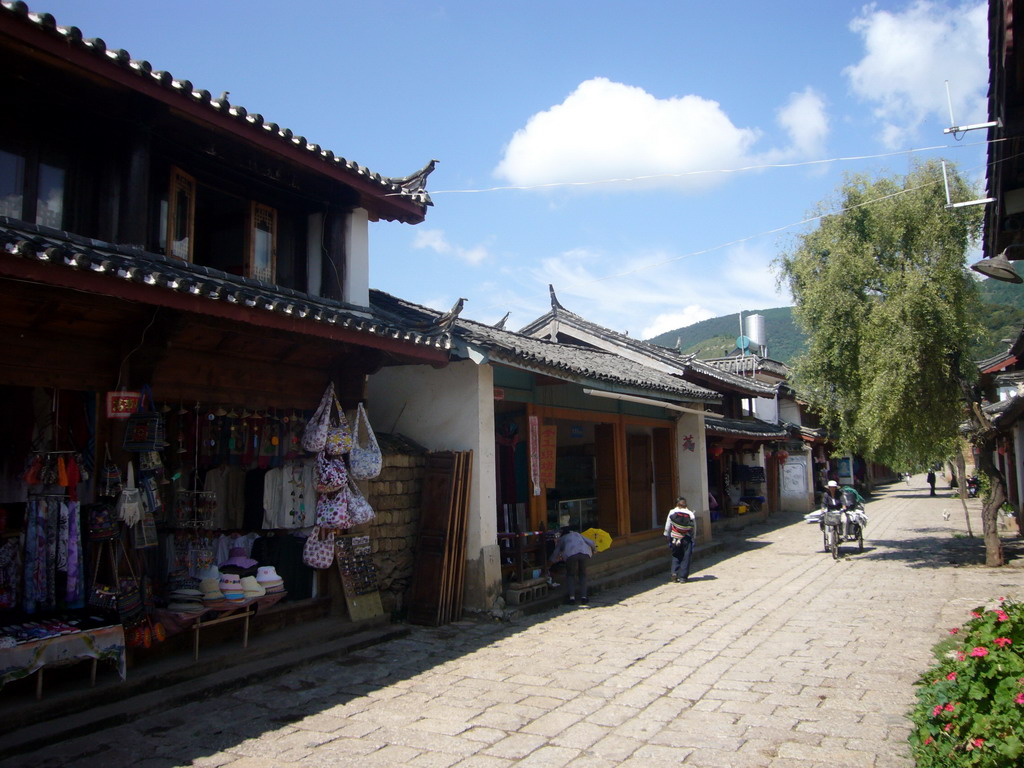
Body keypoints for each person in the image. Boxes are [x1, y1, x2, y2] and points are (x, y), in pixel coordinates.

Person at [549, 526, 596, 605]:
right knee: (582, 574)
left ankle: (572, 598)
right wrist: (594, 550)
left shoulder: (562, 538)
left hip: (570, 555)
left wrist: (550, 562)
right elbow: (591, 542)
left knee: (570, 575)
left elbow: (556, 552)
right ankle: (584, 597)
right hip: (584, 553)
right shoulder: (577, 534)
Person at [663, 497, 696, 583]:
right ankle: (683, 577)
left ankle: (674, 573)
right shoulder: (690, 513)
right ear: (685, 504)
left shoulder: (672, 512)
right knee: (686, 556)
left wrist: (666, 535)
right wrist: (693, 536)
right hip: (686, 537)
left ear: (677, 504)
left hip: (675, 537)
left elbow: (668, 525)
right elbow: (694, 527)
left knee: (676, 555)